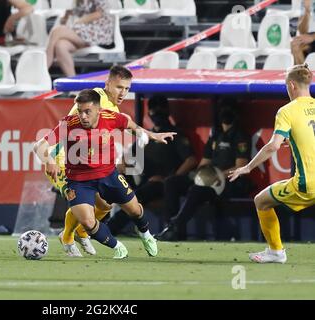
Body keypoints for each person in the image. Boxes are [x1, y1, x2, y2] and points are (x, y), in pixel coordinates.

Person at [35, 89, 176, 259]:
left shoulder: (112, 118)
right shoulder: (68, 124)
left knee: (135, 210)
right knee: (87, 222)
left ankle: (145, 234)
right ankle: (117, 247)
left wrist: (153, 135)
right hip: (79, 180)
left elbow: (134, 128)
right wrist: (49, 160)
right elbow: (39, 145)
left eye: (88, 111)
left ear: (98, 110)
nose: (83, 116)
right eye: (80, 111)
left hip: (108, 175)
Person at [49, 65, 149, 257]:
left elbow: (124, 122)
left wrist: (149, 134)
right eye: (119, 87)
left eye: (127, 89)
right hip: (64, 159)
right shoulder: (97, 97)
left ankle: (81, 232)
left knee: (105, 205)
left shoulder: (111, 106)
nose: (123, 92)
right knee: (81, 204)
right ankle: (68, 237)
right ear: (108, 84)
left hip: (88, 163)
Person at [229, 63, 315, 264]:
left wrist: (248, 167)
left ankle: (276, 252)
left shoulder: (287, 111)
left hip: (307, 184)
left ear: (292, 85)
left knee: (261, 201)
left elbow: (273, 146)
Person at [156, 104, 251, 241]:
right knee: (172, 182)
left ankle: (174, 227)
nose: (225, 115)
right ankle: (170, 228)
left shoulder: (240, 136)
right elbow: (204, 163)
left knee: (196, 190)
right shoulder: (215, 136)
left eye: (229, 112)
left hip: (227, 182)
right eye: (223, 111)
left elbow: (241, 167)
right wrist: (198, 174)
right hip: (207, 180)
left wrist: (215, 176)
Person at [107, 95, 197, 236]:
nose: (157, 113)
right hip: (145, 180)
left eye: (160, 109)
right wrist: (123, 166)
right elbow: (127, 157)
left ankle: (110, 228)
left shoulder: (174, 134)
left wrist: (170, 178)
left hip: (166, 183)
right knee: (114, 177)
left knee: (139, 196)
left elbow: (191, 160)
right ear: (149, 113)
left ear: (167, 111)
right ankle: (102, 224)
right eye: (154, 109)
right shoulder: (146, 136)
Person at [46, 0, 114, 77]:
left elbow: (99, 13)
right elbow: (74, 13)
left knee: (57, 32)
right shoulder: (79, 1)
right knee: (60, 46)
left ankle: (44, 68)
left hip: (98, 32)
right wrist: (66, 16)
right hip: (84, 31)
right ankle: (73, 81)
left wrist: (79, 21)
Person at [291, 0, 315, 64]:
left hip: (313, 36)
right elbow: (302, 30)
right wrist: (307, 10)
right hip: (311, 35)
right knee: (295, 45)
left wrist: (312, 37)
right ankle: (303, 73)